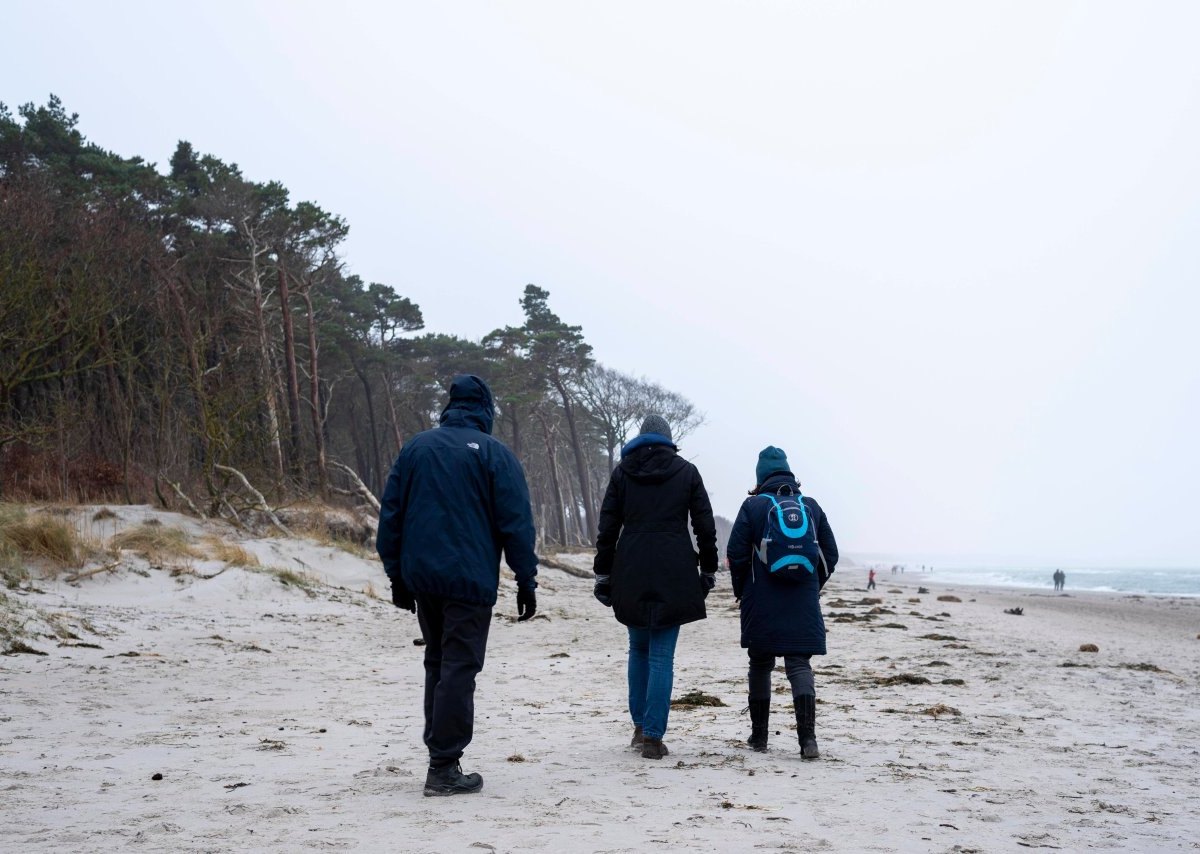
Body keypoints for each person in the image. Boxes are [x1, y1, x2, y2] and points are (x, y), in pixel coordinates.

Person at [376, 375, 539, 797]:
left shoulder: (416, 448)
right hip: (468, 579)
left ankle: (441, 758)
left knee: (438, 661)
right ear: (486, 409)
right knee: (459, 667)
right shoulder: (494, 454)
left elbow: (391, 515)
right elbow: (516, 524)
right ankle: (443, 766)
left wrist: (397, 575)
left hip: (423, 577)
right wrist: (526, 579)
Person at [593, 414, 718, 760]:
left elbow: (608, 527)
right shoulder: (686, 471)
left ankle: (639, 727)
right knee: (662, 654)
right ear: (668, 439)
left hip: (630, 565)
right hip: (674, 567)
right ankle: (652, 736)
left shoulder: (622, 473)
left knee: (638, 649)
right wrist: (708, 568)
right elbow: (704, 525)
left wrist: (603, 574)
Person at [726, 447, 838, 758]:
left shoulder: (753, 506)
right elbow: (831, 553)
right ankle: (808, 741)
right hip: (802, 600)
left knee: (760, 664)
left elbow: (735, 554)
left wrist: (741, 590)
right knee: (799, 664)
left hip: (760, 599)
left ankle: (759, 738)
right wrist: (813, 586)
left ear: (761, 477)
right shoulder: (811, 506)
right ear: (789, 474)